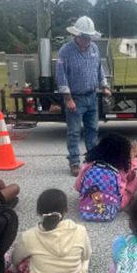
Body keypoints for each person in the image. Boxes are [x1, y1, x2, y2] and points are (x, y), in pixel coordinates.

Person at [8, 189, 91, 273]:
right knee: (84, 261)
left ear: (39, 211)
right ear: (66, 209)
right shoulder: (80, 230)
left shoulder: (28, 236)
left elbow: (15, 261)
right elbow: (86, 256)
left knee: (12, 268)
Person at [55, 16, 113, 176]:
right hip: (75, 97)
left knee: (93, 129)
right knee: (74, 132)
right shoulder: (65, 51)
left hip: (92, 96)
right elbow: (61, 76)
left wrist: (104, 86)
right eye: (85, 37)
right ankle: (74, 162)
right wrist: (68, 99)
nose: (88, 40)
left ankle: (92, 159)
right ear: (77, 35)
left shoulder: (94, 48)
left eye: (89, 37)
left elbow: (99, 69)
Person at [75, 133, 137, 218]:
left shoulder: (90, 164)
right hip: (116, 204)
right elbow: (132, 175)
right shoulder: (122, 167)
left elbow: (77, 186)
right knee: (135, 181)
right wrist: (133, 158)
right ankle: (126, 197)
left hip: (90, 201)